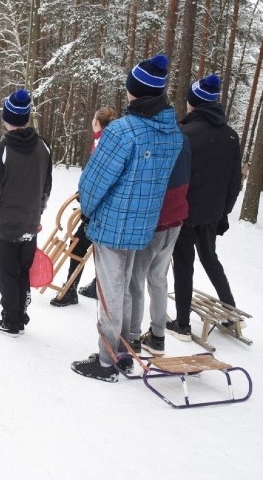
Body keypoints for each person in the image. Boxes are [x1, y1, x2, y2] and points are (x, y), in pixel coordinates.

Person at [71, 54, 182, 382]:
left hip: (113, 226)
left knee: (110, 293)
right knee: (128, 288)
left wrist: (87, 212)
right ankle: (123, 350)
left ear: (135, 91)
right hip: (144, 224)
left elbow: (93, 181)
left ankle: (107, 362)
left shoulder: (122, 131)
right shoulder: (171, 132)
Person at [169, 74, 242, 340]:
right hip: (211, 213)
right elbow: (235, 182)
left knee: (184, 264)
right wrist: (223, 213)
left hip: (185, 213)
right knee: (210, 259)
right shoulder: (231, 136)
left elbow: (174, 177)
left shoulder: (184, 134)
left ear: (194, 103)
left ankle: (182, 324)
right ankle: (230, 311)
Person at [0, 89, 53, 336]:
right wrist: (36, 214)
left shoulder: (0, 152)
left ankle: (11, 320)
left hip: (6, 227)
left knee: (6, 274)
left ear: (6, 117)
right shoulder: (43, 146)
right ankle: (19, 314)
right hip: (30, 225)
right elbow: (46, 189)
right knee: (21, 271)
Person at [128, 135, 191, 356]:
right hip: (175, 218)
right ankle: (157, 336)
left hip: (154, 221)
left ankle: (133, 337)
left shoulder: (157, 141)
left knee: (136, 280)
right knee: (158, 279)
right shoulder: (182, 140)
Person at [50, 106, 117, 306]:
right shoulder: (110, 141)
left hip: (97, 208)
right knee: (98, 247)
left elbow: (98, 177)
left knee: (79, 244)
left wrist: (87, 197)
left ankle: (71, 290)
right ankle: (98, 286)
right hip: (105, 206)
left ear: (97, 122)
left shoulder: (102, 143)